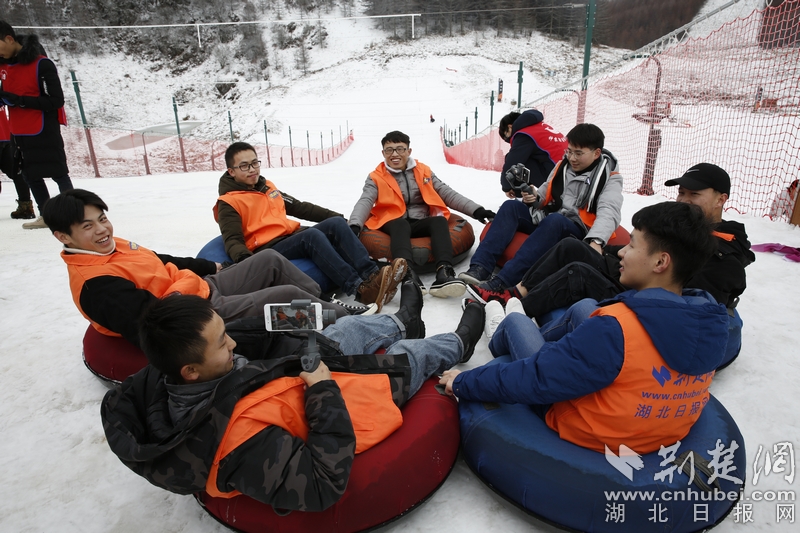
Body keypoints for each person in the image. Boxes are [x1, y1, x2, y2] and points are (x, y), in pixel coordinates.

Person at [101, 285, 485, 509]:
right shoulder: (238, 439)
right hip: (332, 397)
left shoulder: (175, 371)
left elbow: (248, 335)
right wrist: (322, 390)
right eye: (222, 344)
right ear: (191, 371)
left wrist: (303, 328)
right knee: (410, 357)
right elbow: (320, 487)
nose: (231, 344)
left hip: (291, 370)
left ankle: (403, 320)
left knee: (348, 325)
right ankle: (458, 342)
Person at [441, 201, 729, 455]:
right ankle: (552, 342)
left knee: (517, 323)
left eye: (632, 245)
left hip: (583, 421)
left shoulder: (615, 328)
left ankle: (500, 323)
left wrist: (464, 382)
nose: (621, 253)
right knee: (584, 307)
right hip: (652, 419)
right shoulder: (710, 318)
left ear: (660, 261)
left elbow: (537, 379)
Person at [42, 189, 354, 349]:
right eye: (88, 226)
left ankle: (325, 305)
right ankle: (343, 324)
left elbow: (160, 259)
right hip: (198, 314)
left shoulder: (114, 245)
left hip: (201, 287)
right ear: (64, 237)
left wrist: (212, 266)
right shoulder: (96, 285)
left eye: (102, 219)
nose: (102, 229)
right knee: (286, 297)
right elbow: (153, 326)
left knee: (269, 261)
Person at [469, 163, 755, 332]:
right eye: (681, 193)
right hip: (637, 278)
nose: (684, 200)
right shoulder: (681, 222)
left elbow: (695, 303)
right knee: (572, 247)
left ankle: (511, 317)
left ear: (720, 199)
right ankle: (513, 293)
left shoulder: (724, 250)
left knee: (577, 272)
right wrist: (606, 250)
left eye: (695, 195)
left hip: (647, 299)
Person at [217, 142, 406, 312]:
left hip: (290, 236)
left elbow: (300, 207)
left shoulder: (266, 187)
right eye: (244, 166)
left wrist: (339, 217)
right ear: (231, 171)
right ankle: (360, 289)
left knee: (335, 224)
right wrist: (245, 262)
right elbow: (232, 239)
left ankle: (373, 275)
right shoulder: (229, 202)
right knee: (312, 236)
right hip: (268, 249)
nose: (252, 169)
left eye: (255, 163)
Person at [459, 123, 623, 291]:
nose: (572, 157)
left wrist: (596, 241)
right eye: (570, 151)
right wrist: (533, 197)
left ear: (596, 153)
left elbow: (609, 211)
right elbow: (543, 195)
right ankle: (479, 268)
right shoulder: (562, 166)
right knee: (511, 207)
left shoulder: (610, 178)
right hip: (550, 217)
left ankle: (504, 281)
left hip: (576, 228)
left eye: (578, 153)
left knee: (555, 220)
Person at [348, 130, 496, 298]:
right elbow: (365, 201)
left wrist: (477, 210)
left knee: (438, 221)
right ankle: (407, 274)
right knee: (400, 224)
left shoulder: (423, 171)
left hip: (420, 220)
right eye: (389, 150)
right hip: (392, 221)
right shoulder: (376, 177)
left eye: (400, 149)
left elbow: (447, 193)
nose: (394, 154)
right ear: (383, 153)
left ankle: (444, 272)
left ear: (408, 151)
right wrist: (354, 225)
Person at [0, 21, 74, 229]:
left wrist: (18, 100)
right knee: (30, 174)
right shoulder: (3, 66)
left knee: (58, 172)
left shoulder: (42, 64)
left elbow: (56, 101)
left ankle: (73, 213)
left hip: (44, 127)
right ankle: (46, 215)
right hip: (18, 128)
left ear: (8, 39)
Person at [498, 109, 567, 194]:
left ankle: (522, 192)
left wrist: (506, 188)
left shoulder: (524, 134)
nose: (510, 141)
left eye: (506, 137)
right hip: (567, 175)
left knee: (517, 162)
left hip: (557, 181)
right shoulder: (541, 127)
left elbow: (511, 163)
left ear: (509, 127)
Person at [0, 108, 34, 219]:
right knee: (16, 171)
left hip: (6, 134)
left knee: (16, 171)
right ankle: (26, 207)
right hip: (5, 134)